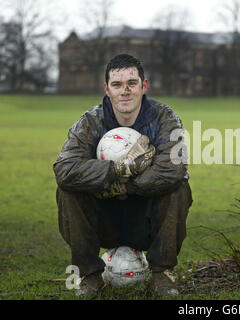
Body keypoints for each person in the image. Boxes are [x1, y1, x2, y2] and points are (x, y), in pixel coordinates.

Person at [54, 54, 192, 297]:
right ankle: (89, 274)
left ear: (144, 86)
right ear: (107, 89)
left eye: (132, 83)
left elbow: (174, 168)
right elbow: (64, 170)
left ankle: (162, 274)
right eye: (117, 85)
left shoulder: (164, 118)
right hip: (103, 219)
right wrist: (117, 169)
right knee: (67, 190)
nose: (125, 91)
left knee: (179, 187)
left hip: (148, 219)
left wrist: (124, 187)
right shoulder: (90, 122)